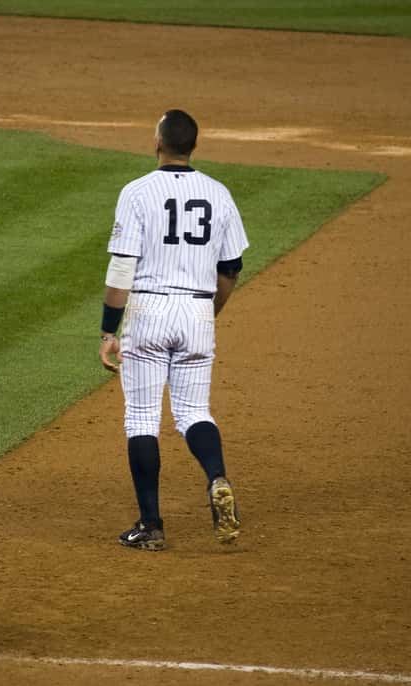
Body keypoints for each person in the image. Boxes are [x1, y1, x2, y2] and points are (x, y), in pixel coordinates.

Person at [98, 109, 249, 551]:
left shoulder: (137, 192)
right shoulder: (218, 193)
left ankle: (151, 525)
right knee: (193, 412)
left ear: (158, 143)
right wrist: (209, 312)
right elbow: (231, 268)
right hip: (198, 311)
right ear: (194, 147)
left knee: (142, 417)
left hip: (148, 311)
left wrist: (109, 332)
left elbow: (123, 266)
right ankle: (216, 477)